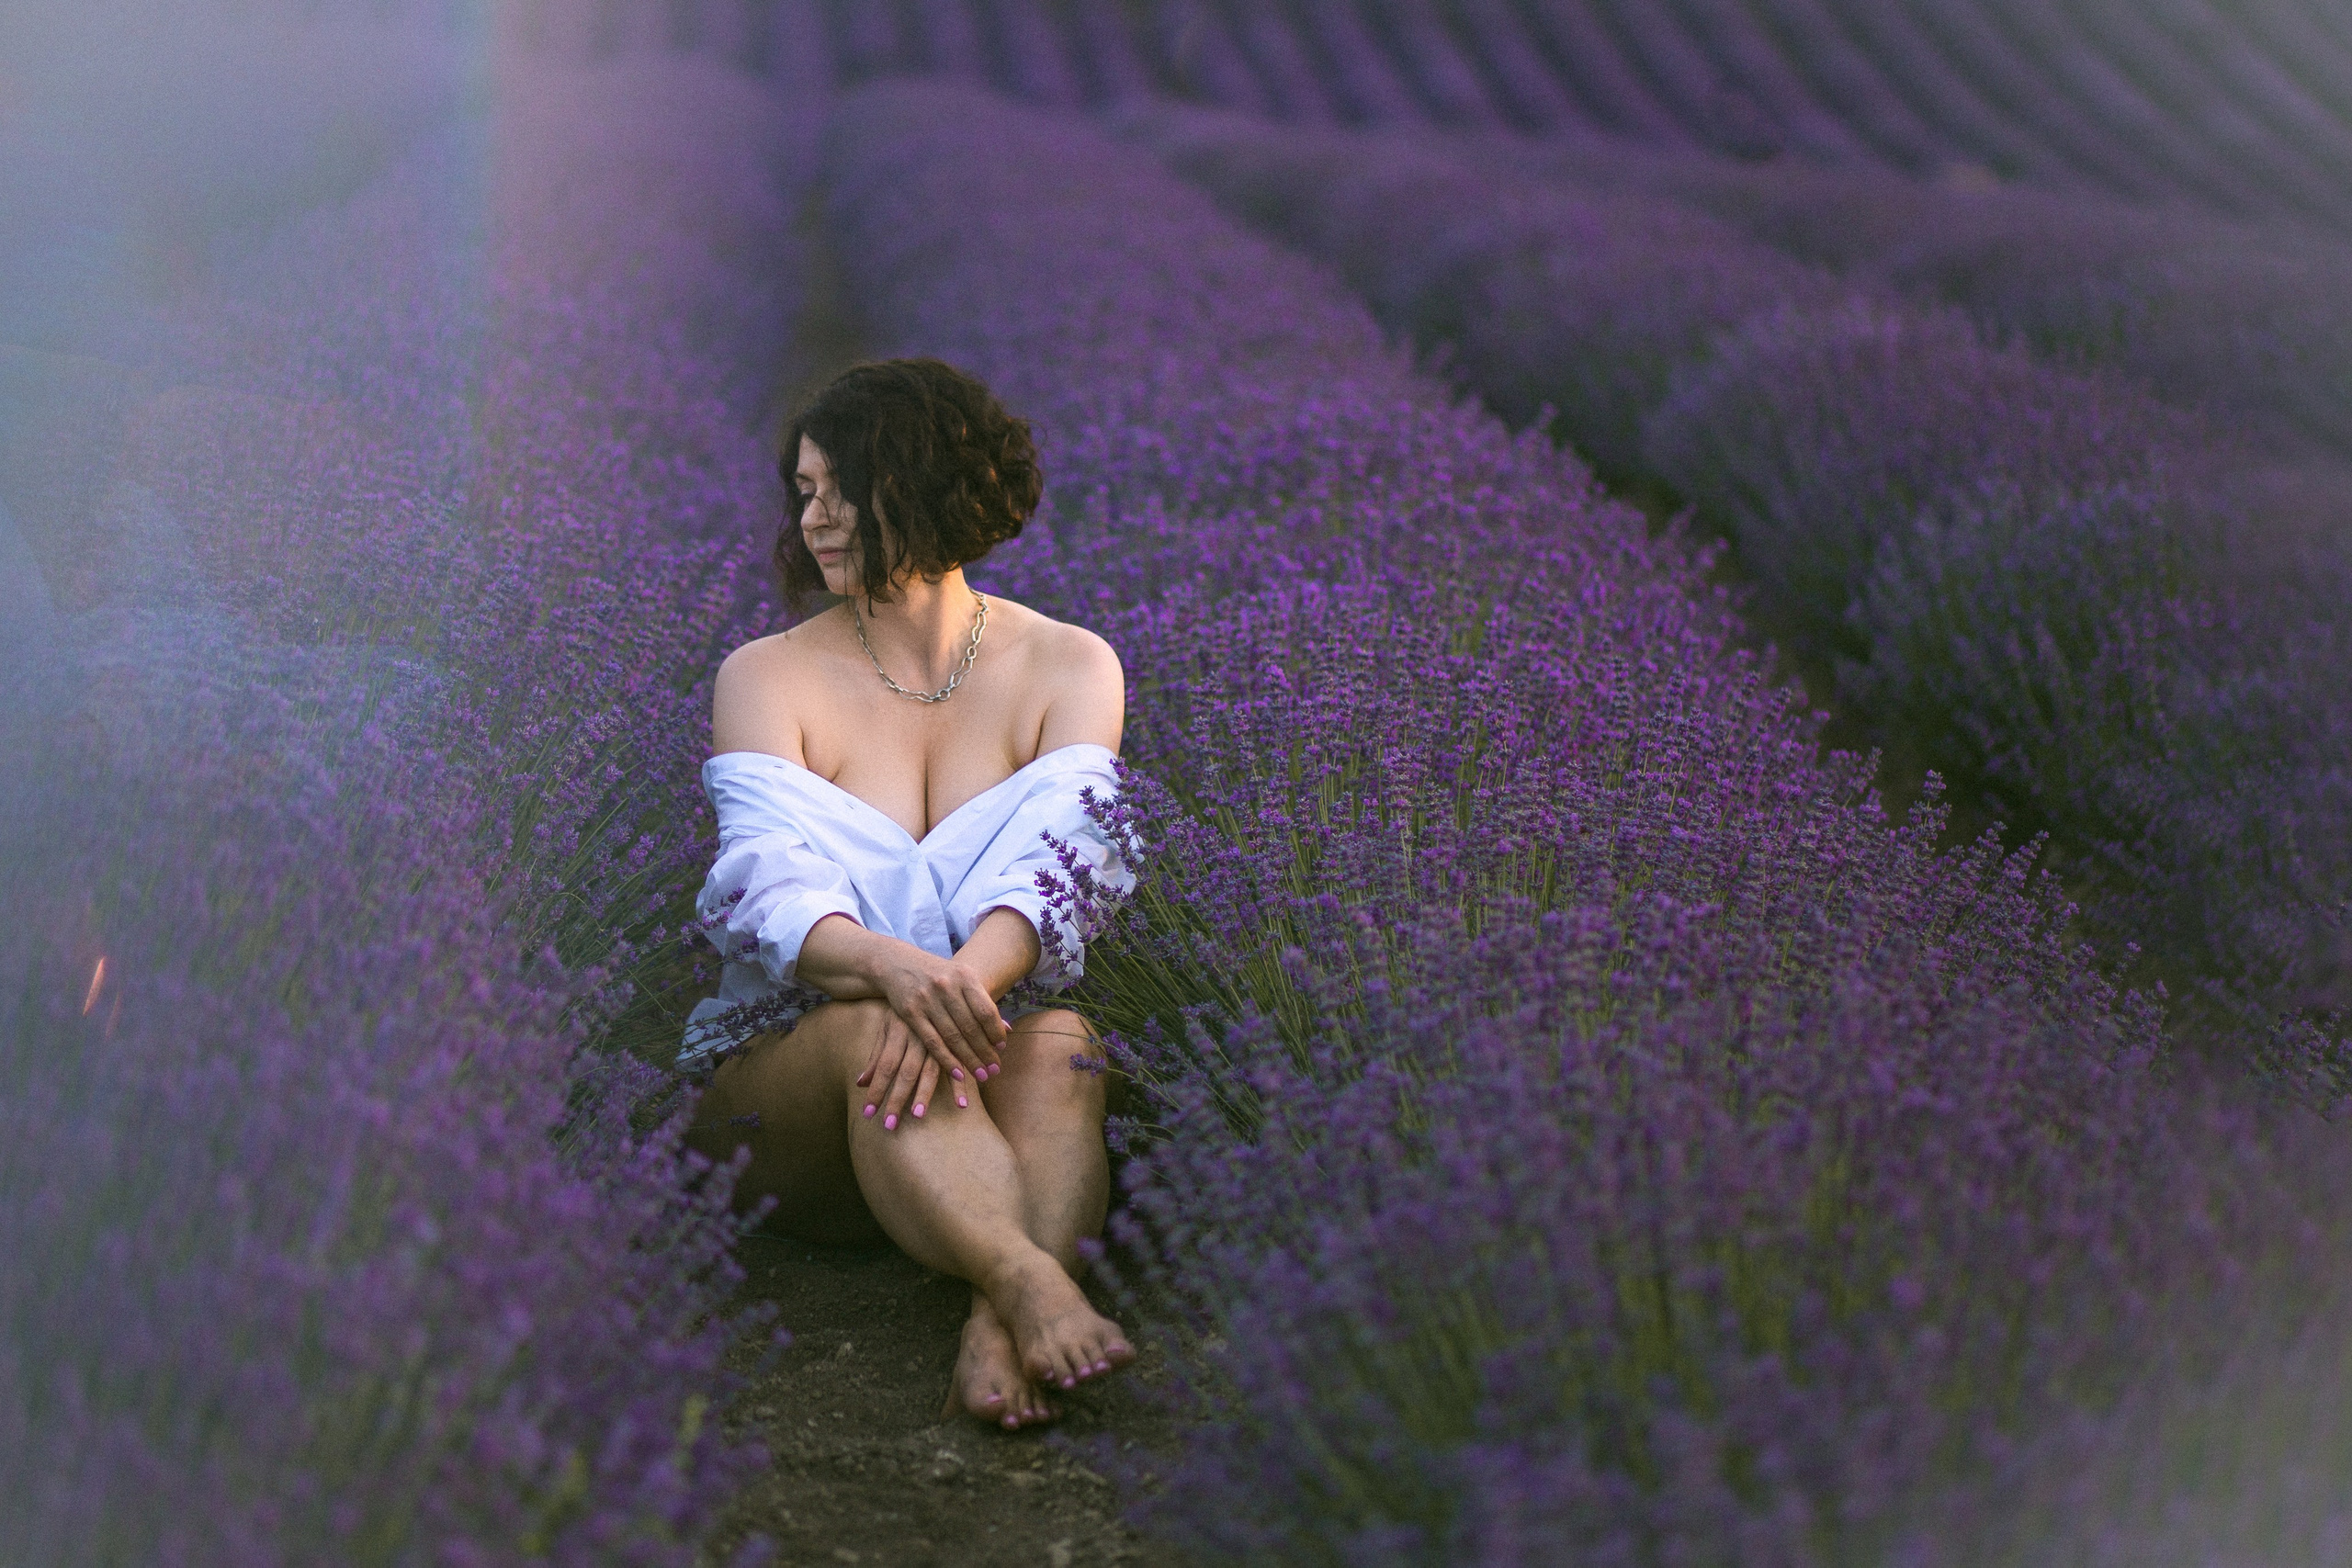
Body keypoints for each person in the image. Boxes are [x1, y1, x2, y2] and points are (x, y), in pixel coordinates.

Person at [681, 358, 1137, 1432]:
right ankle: (1031, 1285)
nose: (816, 519)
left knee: (1065, 1037)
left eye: (841, 490)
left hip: (979, 1052)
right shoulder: (767, 675)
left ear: (925, 488)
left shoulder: (1069, 667)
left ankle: (995, 1310)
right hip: (787, 1091)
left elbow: (1056, 874)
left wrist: (953, 991)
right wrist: (895, 974)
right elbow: (766, 885)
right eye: (803, 493)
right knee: (862, 1027)